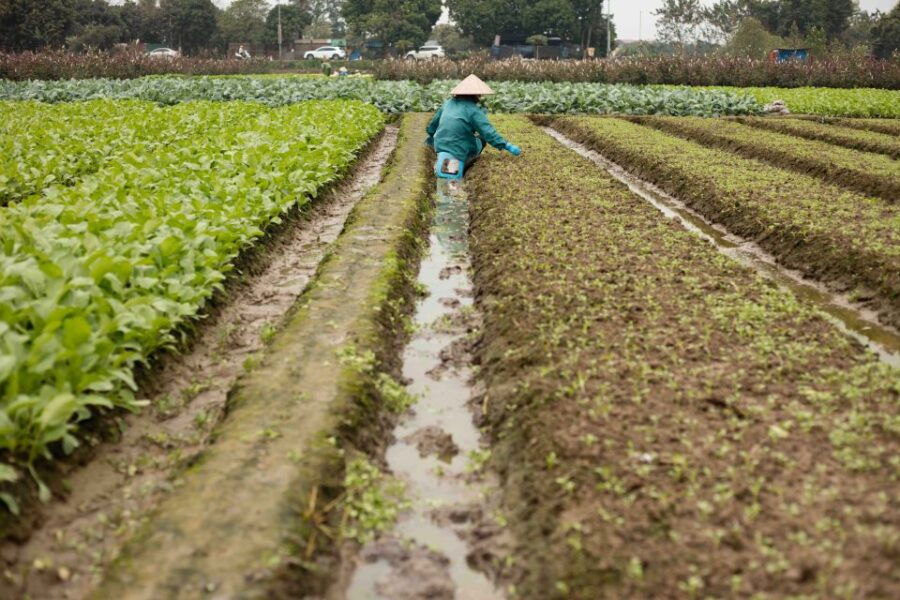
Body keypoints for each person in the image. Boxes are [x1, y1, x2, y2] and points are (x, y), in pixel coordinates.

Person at [426, 74, 521, 172]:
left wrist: (430, 135)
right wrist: (506, 145)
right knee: (482, 139)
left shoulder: (447, 104)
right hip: (460, 151)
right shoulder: (473, 110)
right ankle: (466, 165)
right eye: (479, 94)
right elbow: (488, 132)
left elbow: (432, 126)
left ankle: (442, 164)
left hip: (440, 147)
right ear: (475, 95)